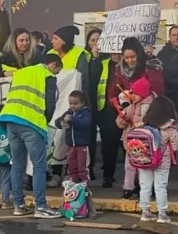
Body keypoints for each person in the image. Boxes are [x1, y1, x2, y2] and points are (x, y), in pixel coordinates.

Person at [0, 53, 62, 219]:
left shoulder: (21, 72)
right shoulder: (48, 75)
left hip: (10, 120)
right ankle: (41, 206)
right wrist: (44, 121)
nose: (56, 74)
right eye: (57, 70)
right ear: (53, 65)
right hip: (31, 123)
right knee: (39, 166)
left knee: (17, 164)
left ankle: (19, 205)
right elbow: (50, 105)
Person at [47, 24, 91, 186]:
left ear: (64, 41)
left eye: (56, 38)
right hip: (54, 103)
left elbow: (82, 79)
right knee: (55, 137)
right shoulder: (50, 54)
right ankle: (56, 172)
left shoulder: (79, 54)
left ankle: (69, 173)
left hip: (73, 104)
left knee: (68, 141)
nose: (52, 41)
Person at [87, 29, 122, 187]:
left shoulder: (128, 64)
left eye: (119, 51)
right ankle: (102, 174)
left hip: (120, 111)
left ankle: (117, 177)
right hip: (103, 110)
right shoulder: (102, 63)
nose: (116, 55)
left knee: (119, 145)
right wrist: (94, 57)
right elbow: (93, 79)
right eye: (113, 51)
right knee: (103, 145)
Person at [137, 96, 178, 223]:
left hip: (144, 160)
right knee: (160, 187)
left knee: (144, 186)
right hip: (162, 162)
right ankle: (162, 214)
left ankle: (145, 212)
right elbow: (176, 146)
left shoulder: (144, 125)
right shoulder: (170, 128)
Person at [115, 74, 153, 200]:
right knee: (129, 166)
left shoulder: (149, 106)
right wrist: (123, 120)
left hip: (144, 143)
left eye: (135, 94)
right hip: (131, 142)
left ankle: (145, 188)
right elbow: (119, 122)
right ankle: (128, 188)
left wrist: (132, 119)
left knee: (144, 167)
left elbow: (146, 121)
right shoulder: (132, 105)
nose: (132, 96)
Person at [157, 26, 178, 106]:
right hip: (169, 96)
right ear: (169, 36)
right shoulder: (162, 54)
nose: (176, 37)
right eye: (174, 35)